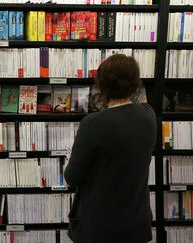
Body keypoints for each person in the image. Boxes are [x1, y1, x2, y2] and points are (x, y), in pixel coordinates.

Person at [64, 54, 157, 243]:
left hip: (100, 228)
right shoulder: (149, 115)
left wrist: (69, 159)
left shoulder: (93, 124)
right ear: (135, 82)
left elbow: (72, 178)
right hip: (136, 224)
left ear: (102, 85)